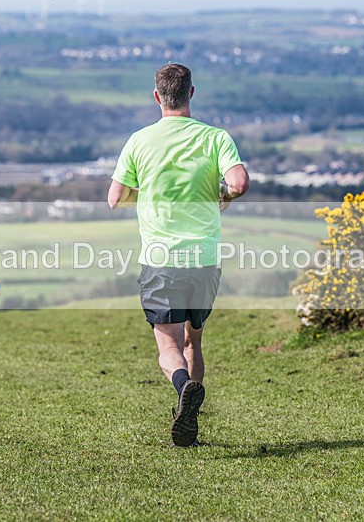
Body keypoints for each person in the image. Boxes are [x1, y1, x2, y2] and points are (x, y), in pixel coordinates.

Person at [108, 63, 250, 447]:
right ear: (192, 93)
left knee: (168, 348)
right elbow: (238, 182)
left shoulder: (139, 141)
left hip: (161, 260)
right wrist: (222, 195)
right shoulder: (215, 137)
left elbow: (115, 198)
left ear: (157, 97)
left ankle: (183, 386)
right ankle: (190, 423)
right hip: (205, 260)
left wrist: (150, 196)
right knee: (193, 343)